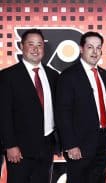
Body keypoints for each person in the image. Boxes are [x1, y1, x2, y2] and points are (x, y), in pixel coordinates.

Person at [0, 28, 59, 183]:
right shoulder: (8, 76)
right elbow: (3, 114)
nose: (35, 49)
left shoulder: (53, 75)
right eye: (31, 44)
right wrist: (10, 145)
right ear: (21, 46)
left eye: (39, 45)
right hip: (19, 149)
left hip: (46, 147)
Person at [55, 31, 106, 183]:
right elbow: (63, 113)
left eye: (98, 47)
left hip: (101, 140)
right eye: (90, 47)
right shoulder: (68, 76)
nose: (95, 52)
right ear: (81, 49)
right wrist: (70, 144)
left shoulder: (103, 75)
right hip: (79, 144)